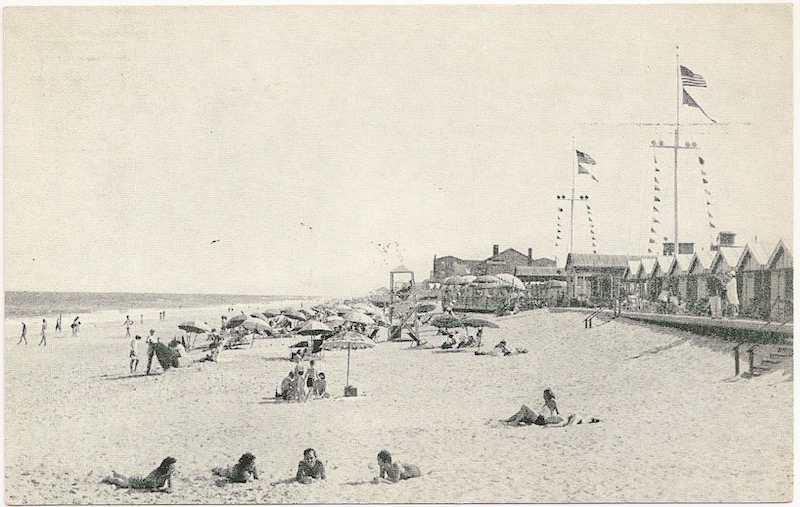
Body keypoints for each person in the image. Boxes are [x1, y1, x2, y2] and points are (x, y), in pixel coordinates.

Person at [101, 457, 176, 492]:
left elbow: (170, 486)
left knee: (127, 480)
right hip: (138, 482)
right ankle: (110, 479)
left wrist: (169, 487)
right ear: (166, 467)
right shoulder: (155, 474)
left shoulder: (167, 474)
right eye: (171, 468)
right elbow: (153, 489)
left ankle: (117, 474)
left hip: (141, 479)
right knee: (124, 484)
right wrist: (163, 490)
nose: (173, 470)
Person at [504, 405, 571, 427]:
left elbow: (560, 425)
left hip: (541, 420)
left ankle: (514, 422)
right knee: (524, 411)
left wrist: (550, 426)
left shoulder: (564, 420)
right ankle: (509, 420)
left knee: (525, 407)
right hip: (540, 418)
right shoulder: (561, 416)